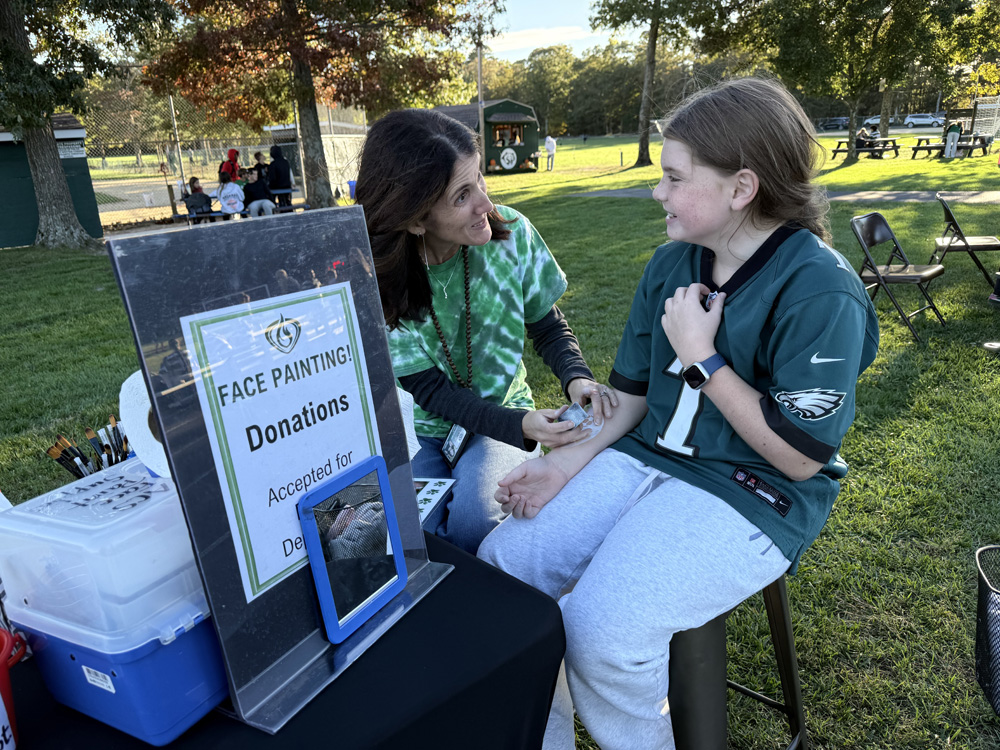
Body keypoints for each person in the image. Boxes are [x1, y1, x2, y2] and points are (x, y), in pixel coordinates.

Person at [478, 76, 879, 750]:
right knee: (502, 571)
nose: (657, 192)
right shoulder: (670, 264)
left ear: (741, 188)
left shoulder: (821, 289)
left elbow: (798, 457)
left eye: (674, 177)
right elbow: (632, 399)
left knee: (602, 630)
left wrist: (703, 357)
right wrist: (563, 466)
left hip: (751, 490)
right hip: (645, 457)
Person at [354, 108, 616, 554]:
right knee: (411, 536)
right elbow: (432, 392)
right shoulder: (380, 280)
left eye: (479, 179)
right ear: (415, 219)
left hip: (505, 417)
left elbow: (548, 326)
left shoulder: (513, 235)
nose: (486, 205)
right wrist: (523, 427)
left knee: (474, 522)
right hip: (427, 431)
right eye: (462, 196)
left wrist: (577, 378)